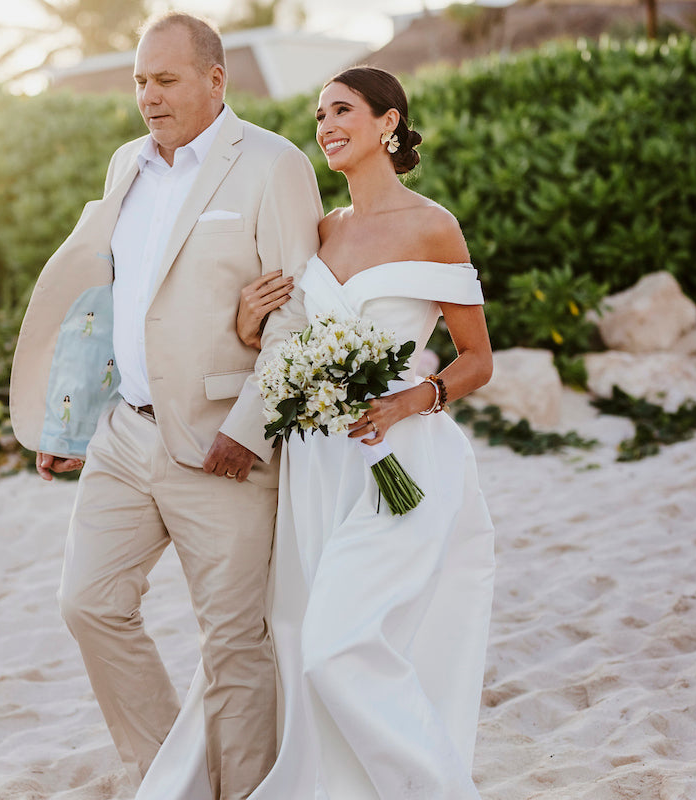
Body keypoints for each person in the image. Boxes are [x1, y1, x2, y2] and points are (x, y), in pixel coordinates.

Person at [135, 67, 496, 800]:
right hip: (313, 466)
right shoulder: (323, 228)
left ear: (388, 122)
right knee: (298, 636)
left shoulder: (433, 226)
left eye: (342, 110)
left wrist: (410, 401)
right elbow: (287, 335)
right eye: (319, 115)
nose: (326, 125)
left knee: (340, 644)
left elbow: (478, 360)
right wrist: (245, 325)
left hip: (397, 461)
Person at [7, 12, 323, 800]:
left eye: (166, 79)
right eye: (141, 81)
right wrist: (70, 419)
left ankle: (247, 792)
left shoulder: (273, 165)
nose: (149, 96)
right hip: (123, 435)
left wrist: (250, 429)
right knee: (88, 605)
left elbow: (297, 313)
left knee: (234, 645)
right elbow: (112, 302)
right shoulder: (127, 164)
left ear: (216, 81)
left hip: (224, 442)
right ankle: (169, 777)